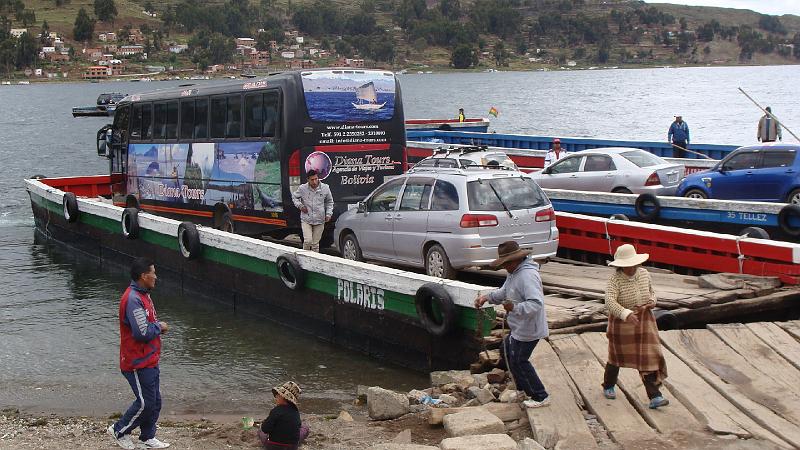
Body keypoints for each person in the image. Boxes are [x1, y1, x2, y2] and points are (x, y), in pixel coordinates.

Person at [475, 241, 550, 408]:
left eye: (506, 263)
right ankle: (523, 388)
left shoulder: (527, 276)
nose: (505, 267)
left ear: (516, 260)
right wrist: (487, 297)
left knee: (519, 360)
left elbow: (536, 304)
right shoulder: (514, 273)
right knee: (507, 351)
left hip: (530, 329)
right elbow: (504, 292)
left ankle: (540, 395)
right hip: (519, 327)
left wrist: (515, 307)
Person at [107, 258, 170, 449]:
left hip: (149, 359)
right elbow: (142, 333)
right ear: (144, 276)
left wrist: (156, 328)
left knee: (156, 401)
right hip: (136, 362)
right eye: (153, 272)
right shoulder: (133, 299)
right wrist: (160, 327)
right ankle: (119, 430)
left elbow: (148, 323)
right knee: (145, 403)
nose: (156, 277)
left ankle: (147, 437)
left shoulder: (145, 295)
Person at [602, 244, 669, 409]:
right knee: (616, 357)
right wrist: (626, 314)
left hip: (644, 320)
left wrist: (652, 302)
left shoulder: (644, 274)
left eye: (632, 265)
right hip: (622, 322)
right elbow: (609, 302)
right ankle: (608, 384)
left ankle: (655, 396)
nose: (631, 269)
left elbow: (652, 292)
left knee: (648, 357)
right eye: (627, 266)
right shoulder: (614, 280)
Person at [292, 169, 333, 252]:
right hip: (306, 219)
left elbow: (330, 202)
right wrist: (300, 206)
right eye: (312, 180)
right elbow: (294, 197)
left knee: (315, 244)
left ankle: (314, 262)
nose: (314, 182)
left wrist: (328, 214)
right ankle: (304, 259)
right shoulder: (302, 188)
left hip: (320, 220)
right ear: (308, 180)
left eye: (316, 179)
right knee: (308, 241)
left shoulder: (325, 188)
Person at [257, 381, 306, 450]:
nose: (276, 396)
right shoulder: (296, 412)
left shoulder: (276, 411)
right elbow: (298, 426)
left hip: (273, 446)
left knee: (261, 432)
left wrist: (263, 425)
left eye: (278, 395)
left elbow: (265, 429)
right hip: (292, 447)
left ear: (284, 398)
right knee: (305, 428)